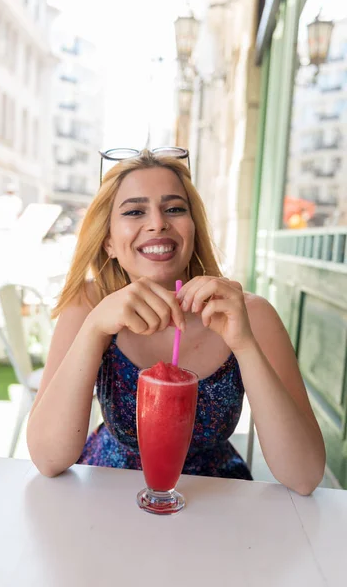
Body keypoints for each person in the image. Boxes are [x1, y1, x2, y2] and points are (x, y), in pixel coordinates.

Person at [27, 148, 325, 495]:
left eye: (174, 209)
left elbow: (305, 475)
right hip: (109, 495)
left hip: (215, 500)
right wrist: (94, 329)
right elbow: (48, 459)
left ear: (193, 228)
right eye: (135, 211)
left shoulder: (249, 315)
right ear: (108, 241)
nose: (157, 222)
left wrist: (245, 345)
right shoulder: (87, 306)